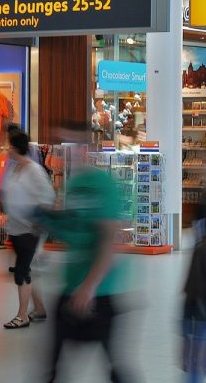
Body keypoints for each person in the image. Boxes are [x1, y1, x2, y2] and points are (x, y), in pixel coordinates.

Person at [37, 121, 131, 383]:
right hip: (72, 286)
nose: (71, 152)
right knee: (53, 363)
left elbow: (108, 239)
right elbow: (76, 230)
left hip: (99, 291)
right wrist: (48, 219)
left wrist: (89, 287)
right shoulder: (73, 184)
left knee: (113, 365)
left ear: (88, 149)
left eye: (76, 145)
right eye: (66, 145)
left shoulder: (102, 183)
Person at [1, 129, 55, 330]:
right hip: (15, 227)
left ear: (15, 148)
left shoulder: (34, 170)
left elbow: (47, 197)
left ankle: (22, 315)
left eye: (9, 146)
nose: (7, 150)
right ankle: (39, 308)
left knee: (21, 272)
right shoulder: (15, 169)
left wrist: (39, 223)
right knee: (26, 269)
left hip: (29, 229)